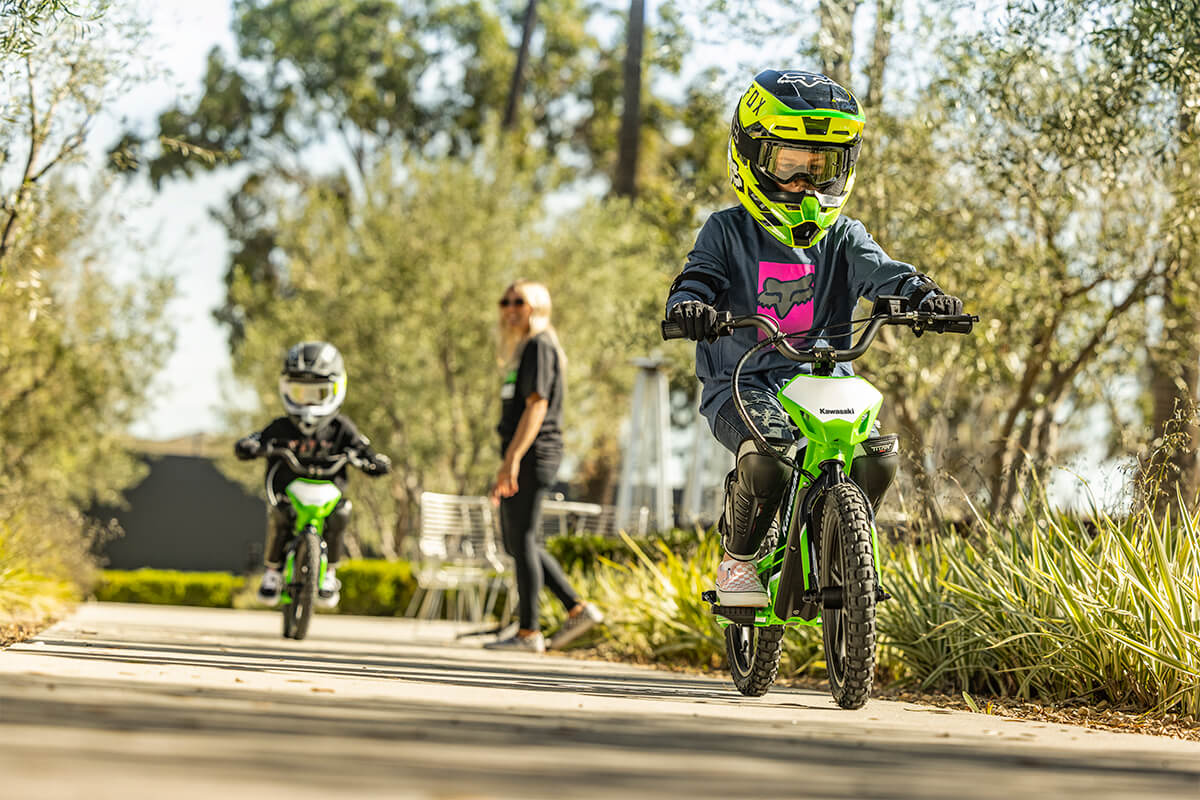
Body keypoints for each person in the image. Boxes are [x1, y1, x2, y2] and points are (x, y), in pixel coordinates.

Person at [664, 69, 964, 607]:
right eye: (790, 165)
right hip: (743, 381)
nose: (805, 183)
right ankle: (740, 559)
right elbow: (699, 275)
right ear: (753, 158)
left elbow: (882, 271)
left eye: (820, 167)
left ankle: (843, 548)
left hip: (824, 382)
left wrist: (923, 295)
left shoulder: (845, 234)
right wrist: (690, 305)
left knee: (878, 455)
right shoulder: (726, 230)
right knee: (771, 457)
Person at [485, 280, 603, 653]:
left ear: (537, 306)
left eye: (519, 301)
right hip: (523, 453)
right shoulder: (526, 349)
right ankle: (576, 608)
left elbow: (537, 407)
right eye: (505, 301)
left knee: (522, 539)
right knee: (518, 540)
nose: (510, 308)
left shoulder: (540, 345)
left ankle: (529, 632)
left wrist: (513, 460)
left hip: (535, 453)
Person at [234, 341, 391, 608]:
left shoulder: (341, 428)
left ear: (335, 389)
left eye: (317, 393)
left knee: (341, 514)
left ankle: (329, 572)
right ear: (287, 389)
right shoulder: (281, 426)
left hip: (329, 494)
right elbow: (256, 439)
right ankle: (272, 571)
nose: (307, 400)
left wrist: (373, 461)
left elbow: (364, 448)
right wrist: (251, 446)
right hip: (288, 491)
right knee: (280, 515)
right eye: (299, 392)